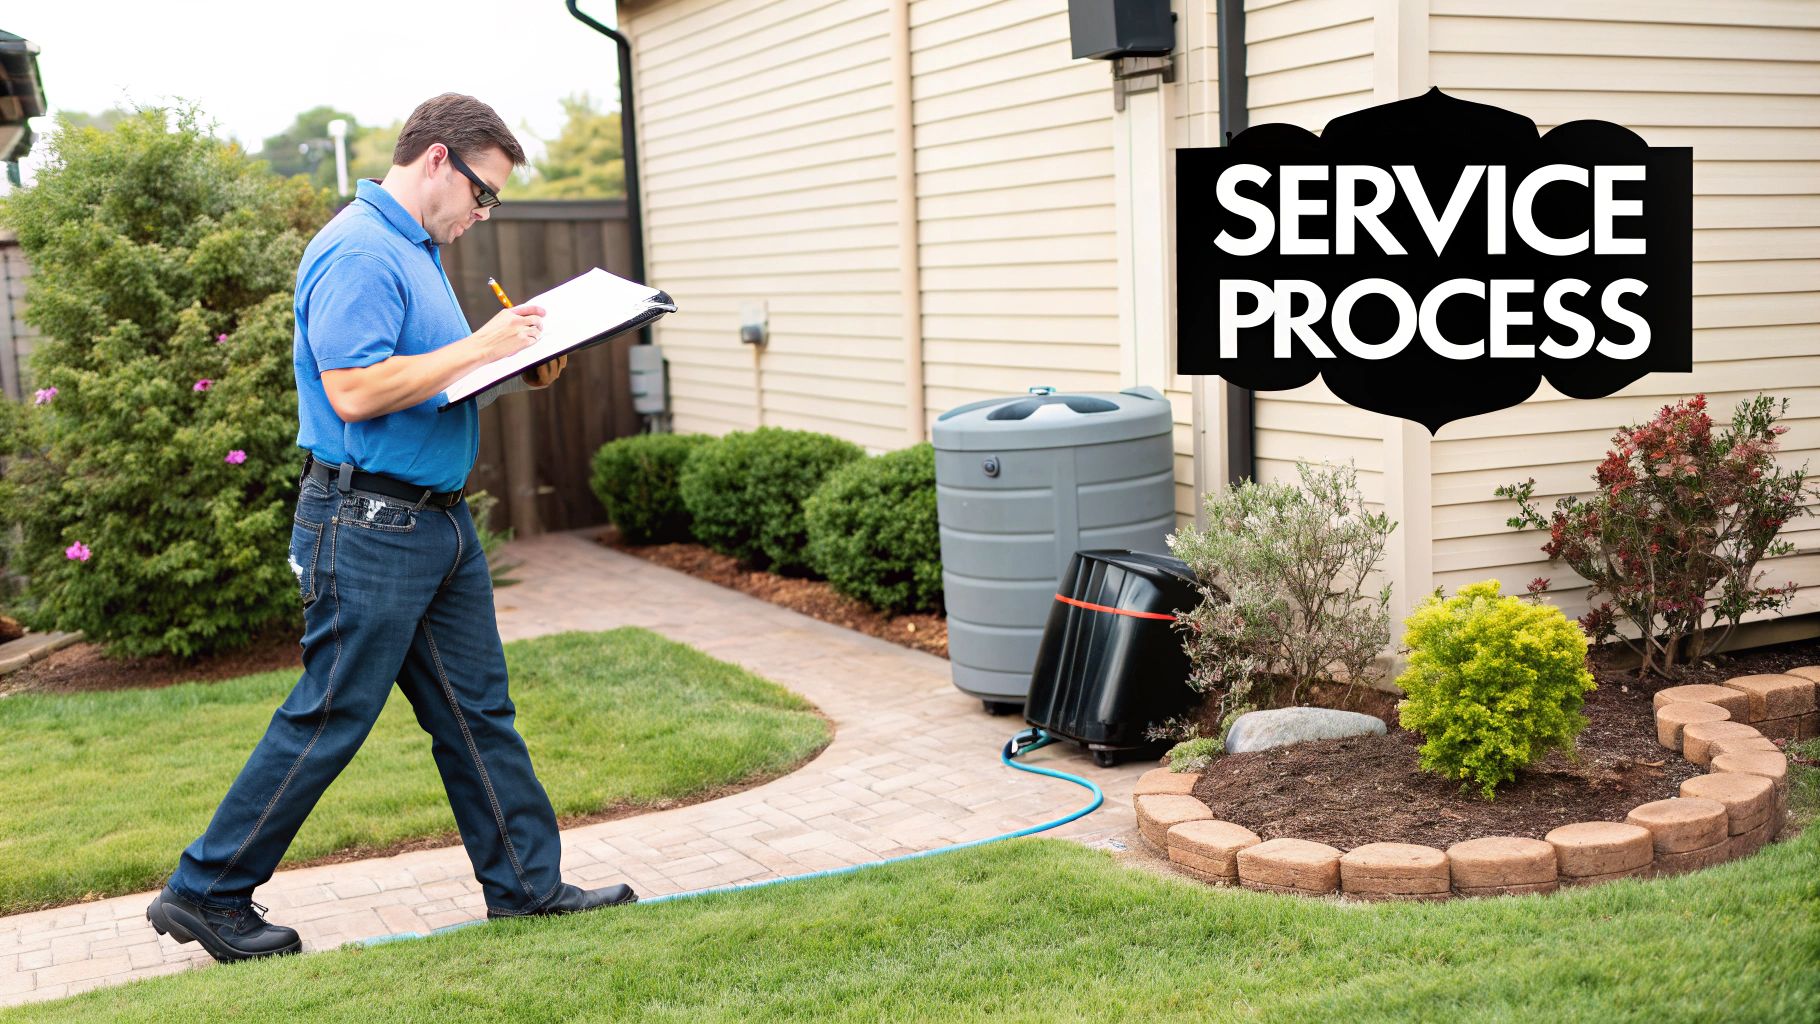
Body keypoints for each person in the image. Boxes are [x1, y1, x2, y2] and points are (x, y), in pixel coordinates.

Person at [146, 93, 636, 965]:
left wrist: (517, 365)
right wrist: (482, 346)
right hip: (367, 525)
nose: (483, 215)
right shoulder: (359, 250)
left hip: (436, 529)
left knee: (479, 714)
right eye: (483, 193)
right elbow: (356, 391)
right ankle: (207, 891)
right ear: (438, 160)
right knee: (333, 712)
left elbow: (428, 381)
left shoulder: (413, 252)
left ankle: (527, 888)